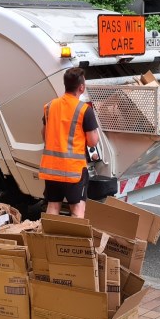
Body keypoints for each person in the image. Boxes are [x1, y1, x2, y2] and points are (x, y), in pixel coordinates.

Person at [39, 67, 99, 218]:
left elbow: (44, 135)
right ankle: (74, 242)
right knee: (77, 210)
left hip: (51, 169)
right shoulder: (84, 110)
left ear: (65, 85)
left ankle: (49, 240)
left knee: (53, 206)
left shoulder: (49, 106)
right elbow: (92, 142)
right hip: (73, 171)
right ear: (81, 87)